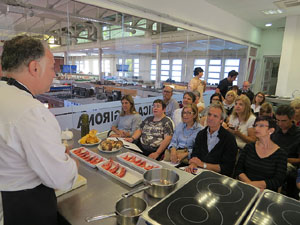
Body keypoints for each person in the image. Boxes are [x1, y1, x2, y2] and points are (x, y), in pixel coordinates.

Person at [0, 35, 78, 225]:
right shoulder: (30, 111)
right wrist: (71, 162)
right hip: (23, 208)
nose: (54, 74)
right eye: (52, 67)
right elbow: (59, 178)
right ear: (35, 68)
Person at [235, 116, 287, 192]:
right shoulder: (249, 147)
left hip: (265, 193)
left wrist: (252, 185)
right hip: (244, 188)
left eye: (261, 126)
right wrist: (249, 184)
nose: (256, 128)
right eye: (255, 125)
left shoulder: (281, 154)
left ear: (271, 130)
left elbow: (278, 180)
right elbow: (239, 169)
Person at [186, 103, 238, 176]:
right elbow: (195, 154)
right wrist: (193, 164)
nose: (210, 118)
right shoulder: (201, 134)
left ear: (221, 120)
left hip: (218, 177)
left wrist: (203, 165)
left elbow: (227, 168)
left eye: (215, 116)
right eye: (209, 114)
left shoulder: (229, 139)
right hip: (199, 172)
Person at [271, 105, 300, 199]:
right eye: (278, 120)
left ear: (292, 118)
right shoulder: (276, 130)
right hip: (273, 159)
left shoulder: (298, 135)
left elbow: (299, 160)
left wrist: (282, 159)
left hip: (289, 164)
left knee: (277, 170)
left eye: (283, 121)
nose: (280, 124)